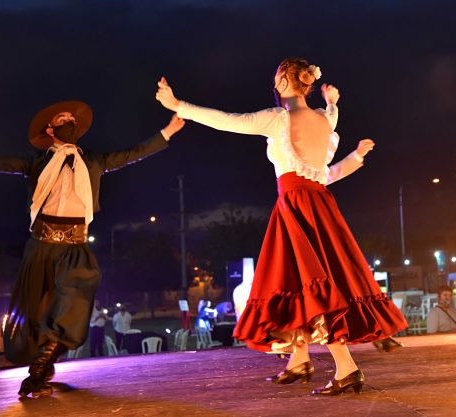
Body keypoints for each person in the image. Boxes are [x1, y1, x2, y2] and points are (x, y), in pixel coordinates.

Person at [156, 58, 408, 395]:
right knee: (298, 282)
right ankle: (299, 360)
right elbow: (331, 135)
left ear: (285, 84)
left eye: (276, 78)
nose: (273, 84)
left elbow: (228, 121)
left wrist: (178, 105)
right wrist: (332, 102)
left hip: (294, 207)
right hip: (320, 207)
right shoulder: (323, 119)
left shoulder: (278, 119)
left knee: (310, 284)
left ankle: (347, 367)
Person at [0, 100, 184, 397]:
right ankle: (42, 362)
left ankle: (38, 372)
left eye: (72, 118)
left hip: (75, 247)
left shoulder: (93, 161)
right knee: (37, 313)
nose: (70, 120)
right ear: (50, 129)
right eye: (62, 117)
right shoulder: (35, 162)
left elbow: (132, 154)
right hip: (41, 247)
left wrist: (166, 132)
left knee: (73, 305)